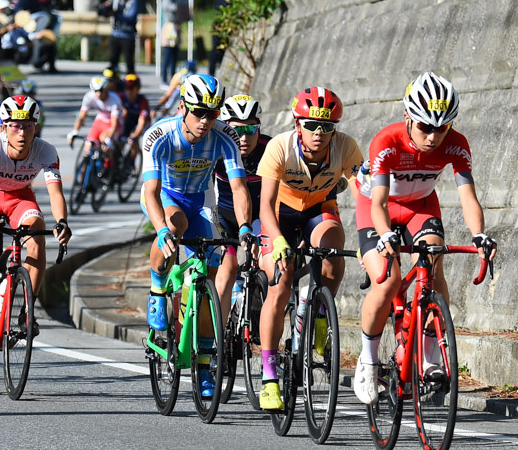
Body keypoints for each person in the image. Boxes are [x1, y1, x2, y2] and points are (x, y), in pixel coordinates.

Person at [352, 71, 498, 404]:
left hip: (420, 206)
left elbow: (467, 196)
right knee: (386, 280)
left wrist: (479, 235)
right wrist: (386, 233)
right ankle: (368, 360)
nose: (433, 137)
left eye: (441, 128)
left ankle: (431, 351)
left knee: (433, 261)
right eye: (424, 127)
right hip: (380, 206)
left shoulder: (456, 144)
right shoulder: (385, 142)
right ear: (408, 117)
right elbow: (376, 203)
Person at [140, 74, 253, 399]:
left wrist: (245, 227)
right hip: (168, 197)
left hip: (202, 199)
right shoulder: (160, 135)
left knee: (213, 276)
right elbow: (150, 191)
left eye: (213, 113)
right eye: (199, 112)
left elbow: (238, 187)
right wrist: (161, 228)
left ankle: (204, 361)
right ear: (182, 107)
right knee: (175, 227)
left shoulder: (225, 136)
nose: (206, 121)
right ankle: (158, 290)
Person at [256, 88, 363, 410]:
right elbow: (263, 207)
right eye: (311, 126)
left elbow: (364, 197)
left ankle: (318, 314)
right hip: (279, 214)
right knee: (281, 282)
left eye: (327, 127)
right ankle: (269, 376)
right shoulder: (279, 147)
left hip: (319, 208)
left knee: (333, 251)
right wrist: (276, 242)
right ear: (297, 123)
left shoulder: (346, 147)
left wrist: (372, 236)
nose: (319, 133)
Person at [0, 94, 71, 357]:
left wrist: (62, 222)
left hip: (20, 198)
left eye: (28, 125)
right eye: (15, 126)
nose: (22, 132)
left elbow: (56, 192)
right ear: (3, 127)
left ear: (36, 126)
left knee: (37, 239)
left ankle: (26, 311)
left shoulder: (46, 150)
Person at [210, 93, 269, 316]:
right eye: (237, 131)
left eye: (250, 130)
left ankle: (254, 303)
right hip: (224, 215)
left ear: (259, 129)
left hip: (257, 217)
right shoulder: (215, 149)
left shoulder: (270, 149)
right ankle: (219, 339)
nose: (243, 138)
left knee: (265, 263)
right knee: (227, 271)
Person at [67, 75, 122, 161]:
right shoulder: (89, 97)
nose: (98, 94)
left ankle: (111, 166)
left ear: (106, 89)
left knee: (104, 141)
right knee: (88, 146)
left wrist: (109, 139)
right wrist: (75, 131)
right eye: (96, 91)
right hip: (100, 121)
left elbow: (114, 123)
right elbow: (81, 117)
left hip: (113, 123)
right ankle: (84, 170)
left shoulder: (114, 99)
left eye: (101, 90)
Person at [98, 0, 139, 74]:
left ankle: (130, 83)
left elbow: (130, 17)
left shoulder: (133, 1)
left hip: (127, 35)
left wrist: (116, 13)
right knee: (113, 61)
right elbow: (108, 9)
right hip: (115, 34)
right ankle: (112, 83)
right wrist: (104, 9)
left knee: (129, 62)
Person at [159, 0, 183, 86]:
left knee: (174, 55)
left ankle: (173, 79)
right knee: (168, 54)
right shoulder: (166, 0)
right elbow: (175, 9)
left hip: (176, 27)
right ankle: (164, 79)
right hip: (169, 28)